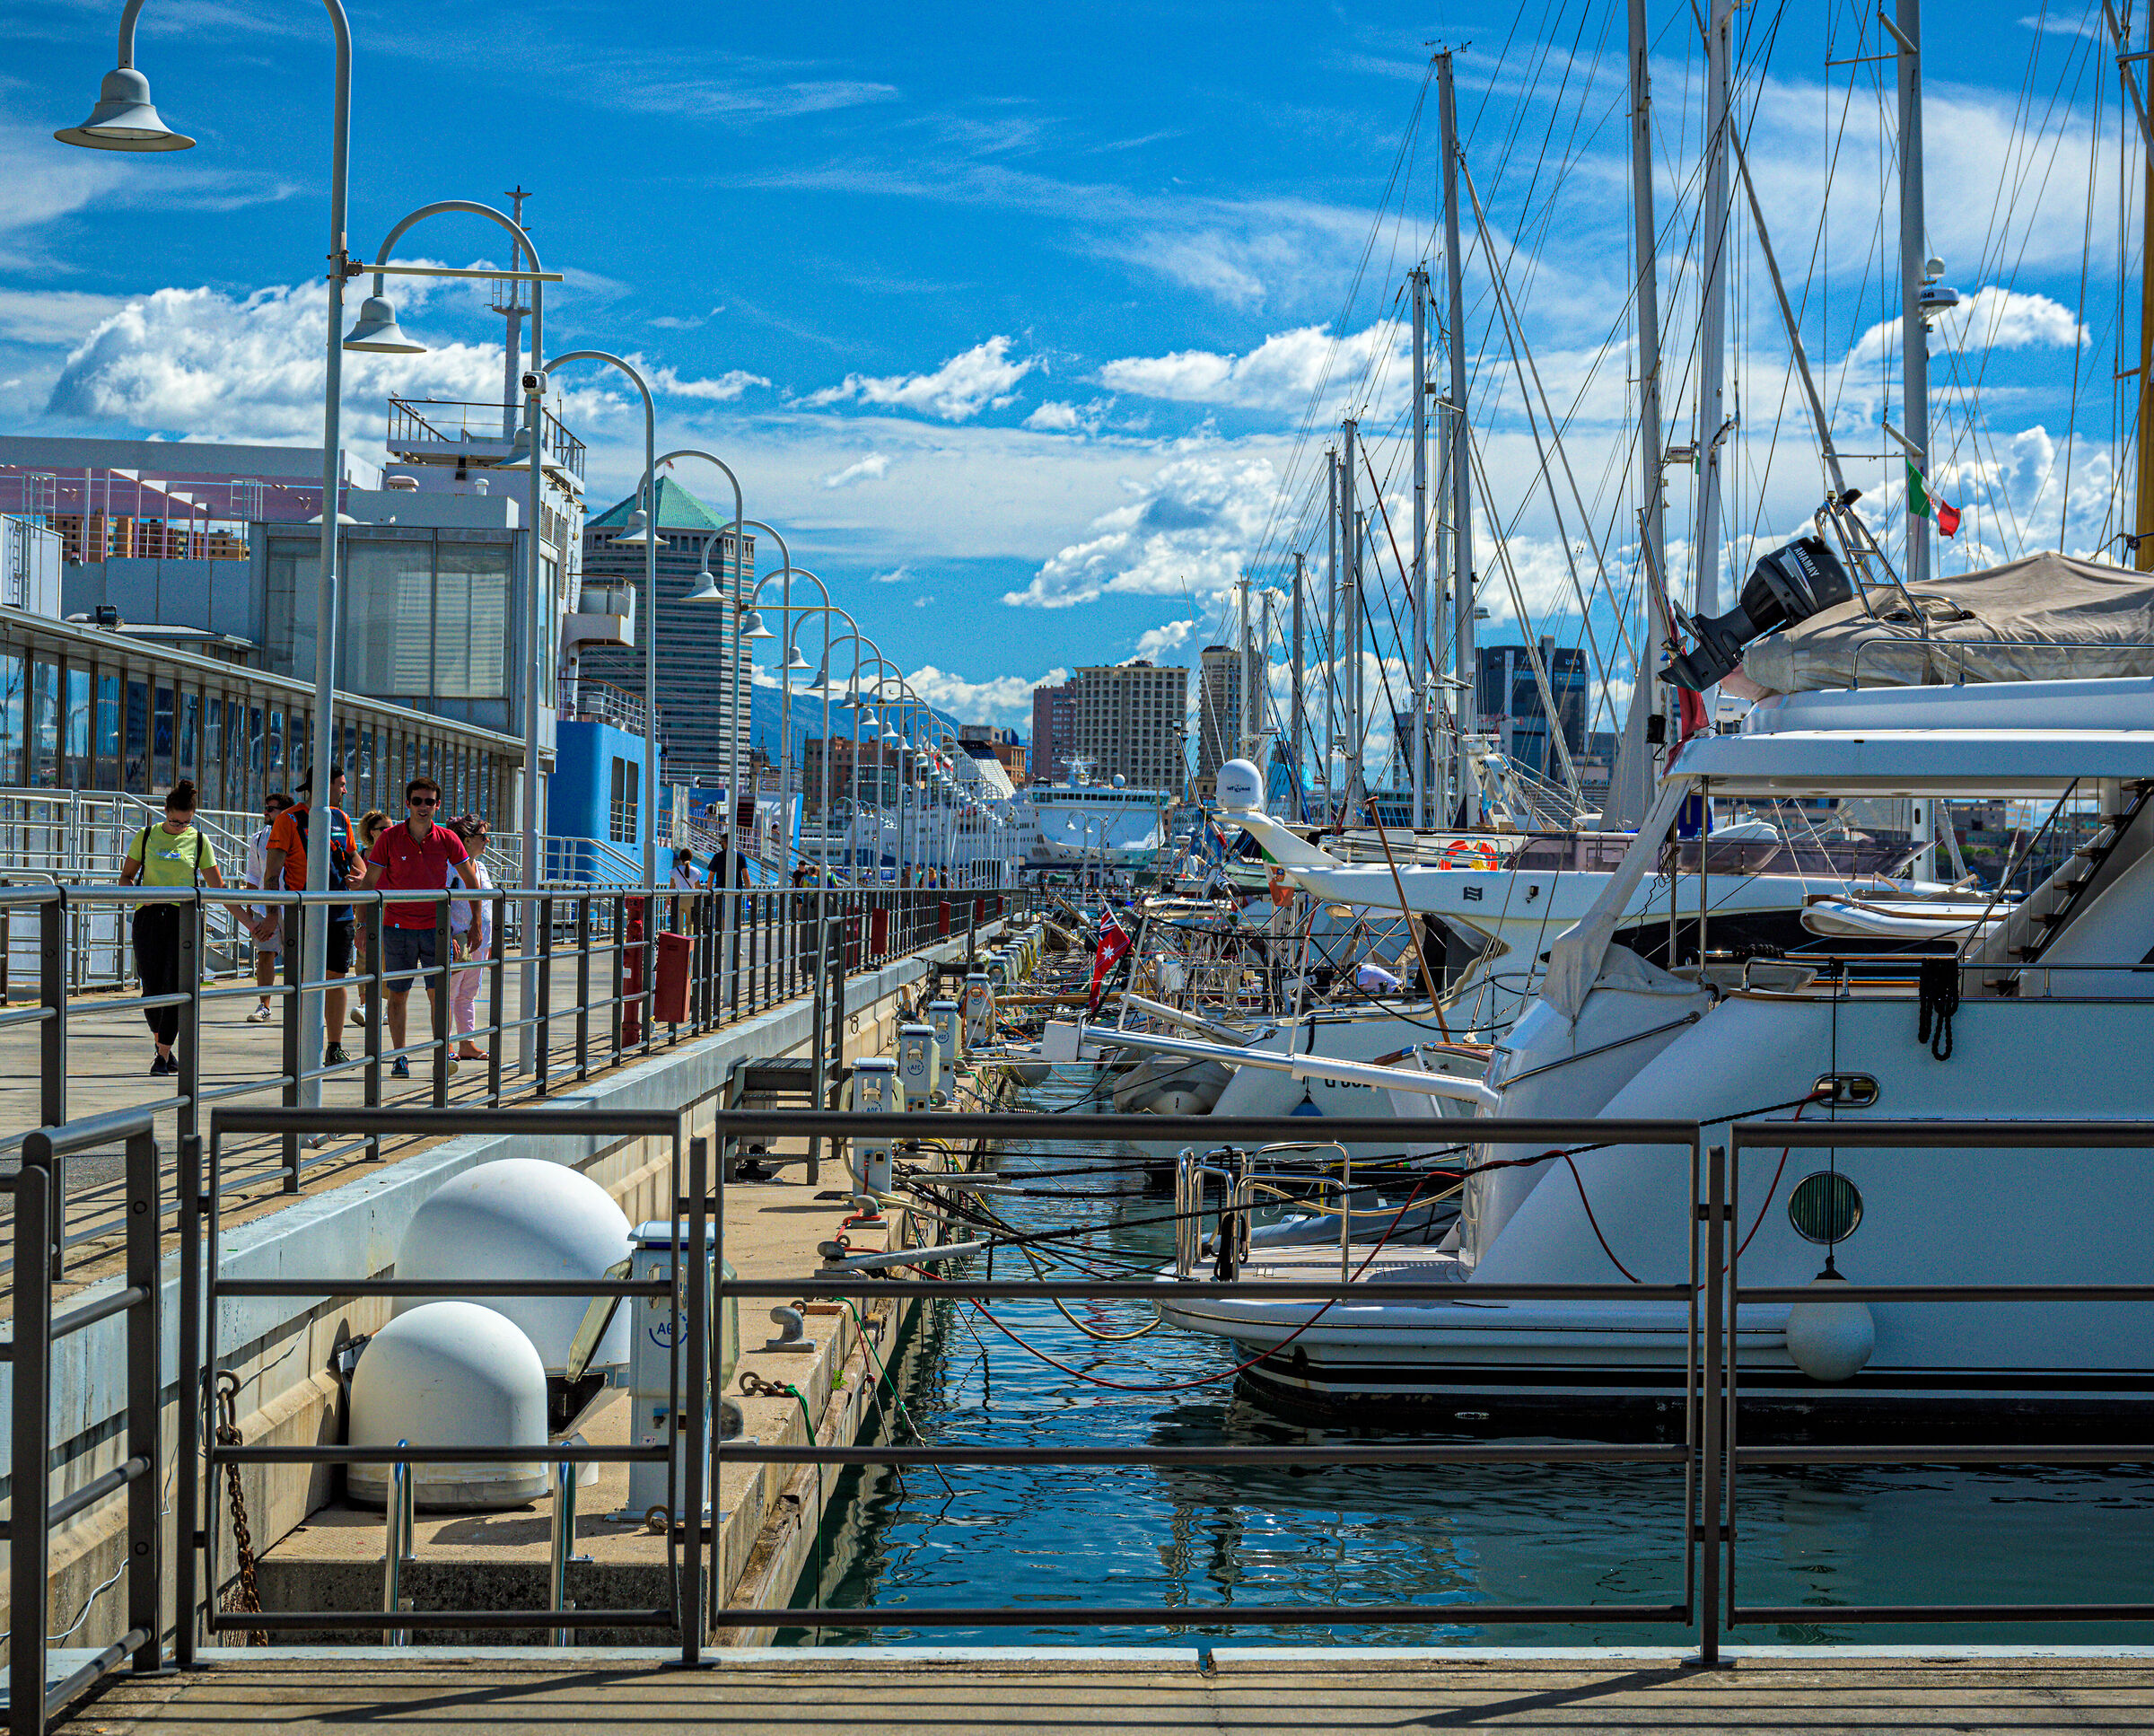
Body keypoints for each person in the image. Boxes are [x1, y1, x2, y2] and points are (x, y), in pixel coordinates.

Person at [360, 776, 482, 1080]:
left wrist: (476, 923)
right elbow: (369, 882)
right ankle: (399, 1056)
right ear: (407, 803)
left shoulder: (447, 839)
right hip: (396, 927)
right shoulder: (389, 838)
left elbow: (471, 881)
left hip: (435, 929)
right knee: (397, 994)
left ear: (438, 805)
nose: (423, 807)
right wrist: (362, 924)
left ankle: (441, 1053)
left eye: (429, 801)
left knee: (438, 995)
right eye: (417, 801)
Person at [118, 779, 225, 1075]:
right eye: (175, 821)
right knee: (151, 988)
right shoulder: (146, 835)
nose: (179, 827)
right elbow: (126, 878)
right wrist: (142, 898)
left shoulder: (200, 841)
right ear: (165, 812)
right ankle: (163, 1048)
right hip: (149, 917)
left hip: (184, 918)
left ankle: (162, 1056)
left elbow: (217, 886)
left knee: (177, 986)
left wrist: (249, 918)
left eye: (186, 823)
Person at [263, 766, 363, 1065]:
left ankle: (335, 1046)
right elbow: (272, 874)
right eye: (341, 785)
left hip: (341, 912)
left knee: (336, 978)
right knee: (305, 980)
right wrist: (271, 915)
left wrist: (363, 881)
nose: (345, 791)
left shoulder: (341, 818)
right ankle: (304, 1047)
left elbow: (355, 858)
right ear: (322, 785)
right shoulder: (289, 819)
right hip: (304, 913)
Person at [446, 815, 495, 1060]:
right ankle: (446, 1043)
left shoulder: (482, 867)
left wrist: (489, 942)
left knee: (469, 992)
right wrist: (447, 934)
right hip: (458, 939)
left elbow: (486, 905)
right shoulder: (449, 868)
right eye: (482, 836)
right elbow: (440, 901)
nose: (487, 840)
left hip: (480, 940)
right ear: (465, 840)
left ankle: (467, 1041)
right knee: (449, 991)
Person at [242, 793, 291, 1022]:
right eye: (266, 808)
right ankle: (264, 1005)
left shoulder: (298, 835)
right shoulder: (258, 838)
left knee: (298, 956)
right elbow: (253, 873)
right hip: (265, 906)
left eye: (271, 809)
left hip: (293, 904)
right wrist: (250, 906)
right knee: (264, 954)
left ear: (285, 812)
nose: (266, 813)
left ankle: (298, 1003)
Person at [349, 811, 390, 1029]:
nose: (388, 832)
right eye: (384, 829)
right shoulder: (362, 855)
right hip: (364, 910)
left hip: (389, 911)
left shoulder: (394, 854)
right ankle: (366, 1005)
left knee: (386, 959)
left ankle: (384, 1006)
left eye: (391, 828)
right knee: (363, 956)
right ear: (371, 832)